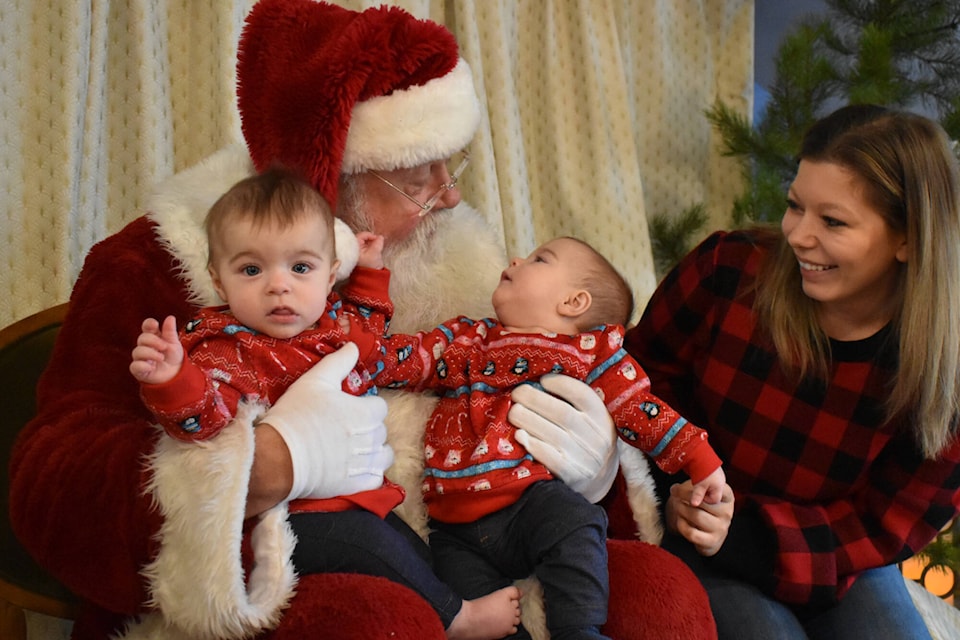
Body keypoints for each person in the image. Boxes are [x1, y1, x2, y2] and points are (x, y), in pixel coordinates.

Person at [9, 1, 716, 639]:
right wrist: (256, 471)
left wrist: (591, 477)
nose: (449, 195)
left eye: (449, 167)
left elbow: (575, 396)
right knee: (381, 623)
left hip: (461, 541)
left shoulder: (464, 259)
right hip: (282, 573)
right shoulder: (160, 261)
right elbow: (48, 489)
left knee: (658, 598)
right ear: (332, 181)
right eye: (417, 180)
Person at [129, 167, 521, 640]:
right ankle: (458, 619)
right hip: (287, 519)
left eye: (300, 268)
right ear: (219, 279)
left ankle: (461, 614)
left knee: (410, 549)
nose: (279, 286)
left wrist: (373, 274)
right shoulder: (222, 348)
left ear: (331, 273)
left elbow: (370, 342)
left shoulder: (333, 326)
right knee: (374, 546)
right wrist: (173, 378)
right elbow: (204, 420)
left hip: (354, 501)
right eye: (252, 270)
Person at [621, 104, 960, 640]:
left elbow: (888, 522)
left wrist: (754, 539)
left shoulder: (945, 368)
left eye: (832, 221)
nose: (798, 235)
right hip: (701, 519)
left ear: (908, 240)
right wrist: (681, 478)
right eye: (794, 206)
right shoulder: (729, 271)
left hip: (836, 554)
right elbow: (637, 378)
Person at [370, 236, 725, 639]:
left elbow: (640, 409)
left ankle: (578, 628)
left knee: (577, 522)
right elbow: (410, 359)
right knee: (467, 606)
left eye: (540, 259)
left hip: (530, 505)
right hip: (453, 524)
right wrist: (359, 338)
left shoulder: (589, 352)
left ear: (573, 303)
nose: (518, 259)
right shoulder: (470, 338)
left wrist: (700, 459)